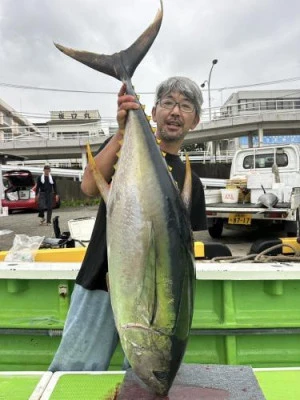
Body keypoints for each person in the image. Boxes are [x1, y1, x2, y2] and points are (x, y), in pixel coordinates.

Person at [49, 76, 207, 372]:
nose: (175, 112)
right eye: (169, 103)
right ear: (155, 110)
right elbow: (88, 186)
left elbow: (184, 253)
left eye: (185, 106)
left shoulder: (192, 183)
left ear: (195, 120)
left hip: (150, 298)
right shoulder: (124, 146)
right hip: (100, 281)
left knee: (141, 375)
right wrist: (123, 129)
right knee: (73, 371)